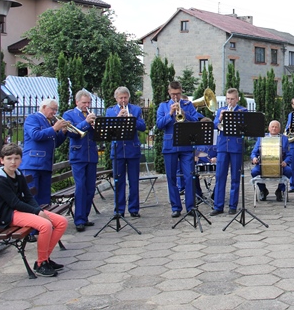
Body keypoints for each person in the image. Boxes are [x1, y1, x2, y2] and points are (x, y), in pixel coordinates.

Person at [0, 144, 68, 277]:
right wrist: (37, 212)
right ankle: (41, 263)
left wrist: (38, 210)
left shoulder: (18, 174)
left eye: (16, 158)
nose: (13, 162)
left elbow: (28, 197)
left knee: (61, 222)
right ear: (2, 160)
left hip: (23, 211)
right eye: (9, 158)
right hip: (10, 215)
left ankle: (44, 259)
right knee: (45, 225)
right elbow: (14, 203)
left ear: (21, 160)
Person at [156, 81, 205, 218]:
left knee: (189, 176)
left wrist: (184, 114)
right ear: (169, 92)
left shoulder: (188, 105)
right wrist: (170, 114)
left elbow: (196, 121)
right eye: (173, 94)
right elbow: (159, 125)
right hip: (170, 145)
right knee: (171, 178)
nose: (175, 97)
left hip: (186, 145)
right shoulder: (163, 106)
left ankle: (191, 207)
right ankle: (176, 207)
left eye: (178, 94)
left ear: (181, 91)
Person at [105, 87, 146, 218]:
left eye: (125, 98)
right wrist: (118, 118)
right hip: (118, 150)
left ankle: (134, 209)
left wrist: (132, 119)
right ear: (116, 98)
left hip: (132, 149)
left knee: (134, 181)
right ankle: (119, 210)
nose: (123, 100)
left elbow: (143, 126)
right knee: (118, 181)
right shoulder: (110, 111)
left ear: (129, 97)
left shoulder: (136, 110)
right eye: (121, 98)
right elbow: (107, 129)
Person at [20, 99, 68, 206]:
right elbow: (35, 135)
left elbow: (54, 143)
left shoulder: (49, 122)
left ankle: (45, 216)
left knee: (44, 199)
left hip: (45, 165)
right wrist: (54, 128)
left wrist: (63, 132)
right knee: (32, 198)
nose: (54, 112)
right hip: (32, 165)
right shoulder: (33, 118)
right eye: (53, 109)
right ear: (44, 107)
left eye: (56, 110)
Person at [62, 90, 98, 232]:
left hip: (91, 155)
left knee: (90, 188)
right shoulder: (69, 115)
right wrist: (86, 122)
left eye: (88, 102)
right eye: (84, 102)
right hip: (78, 156)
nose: (87, 105)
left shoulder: (91, 114)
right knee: (81, 187)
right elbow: (72, 133)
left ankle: (85, 216)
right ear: (77, 102)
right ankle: (79, 220)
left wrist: (97, 127)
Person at [210, 88, 248, 216]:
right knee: (220, 176)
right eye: (228, 99)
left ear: (237, 99)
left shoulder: (242, 111)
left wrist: (234, 118)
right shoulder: (221, 110)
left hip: (236, 146)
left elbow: (245, 126)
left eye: (232, 99)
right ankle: (218, 206)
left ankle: (233, 206)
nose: (229, 101)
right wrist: (220, 118)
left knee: (235, 177)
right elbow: (215, 125)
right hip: (222, 147)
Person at [251, 120, 293, 201]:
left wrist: (285, 162)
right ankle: (263, 190)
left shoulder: (284, 139)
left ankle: (280, 190)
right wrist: (254, 158)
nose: (274, 128)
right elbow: (254, 152)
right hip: (263, 164)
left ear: (279, 129)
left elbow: (289, 155)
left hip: (280, 165)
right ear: (269, 128)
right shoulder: (262, 138)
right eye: (272, 127)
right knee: (254, 172)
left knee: (289, 171)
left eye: (276, 127)